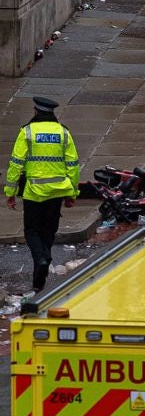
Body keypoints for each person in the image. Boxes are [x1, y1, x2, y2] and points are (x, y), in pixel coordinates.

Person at [4, 96, 79, 292]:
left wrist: (10, 191)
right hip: (57, 192)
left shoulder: (27, 132)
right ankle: (39, 280)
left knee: (32, 231)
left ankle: (41, 259)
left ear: (36, 111)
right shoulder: (64, 133)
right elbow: (72, 165)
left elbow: (15, 164)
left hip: (34, 192)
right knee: (48, 232)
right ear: (52, 113)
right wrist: (73, 193)